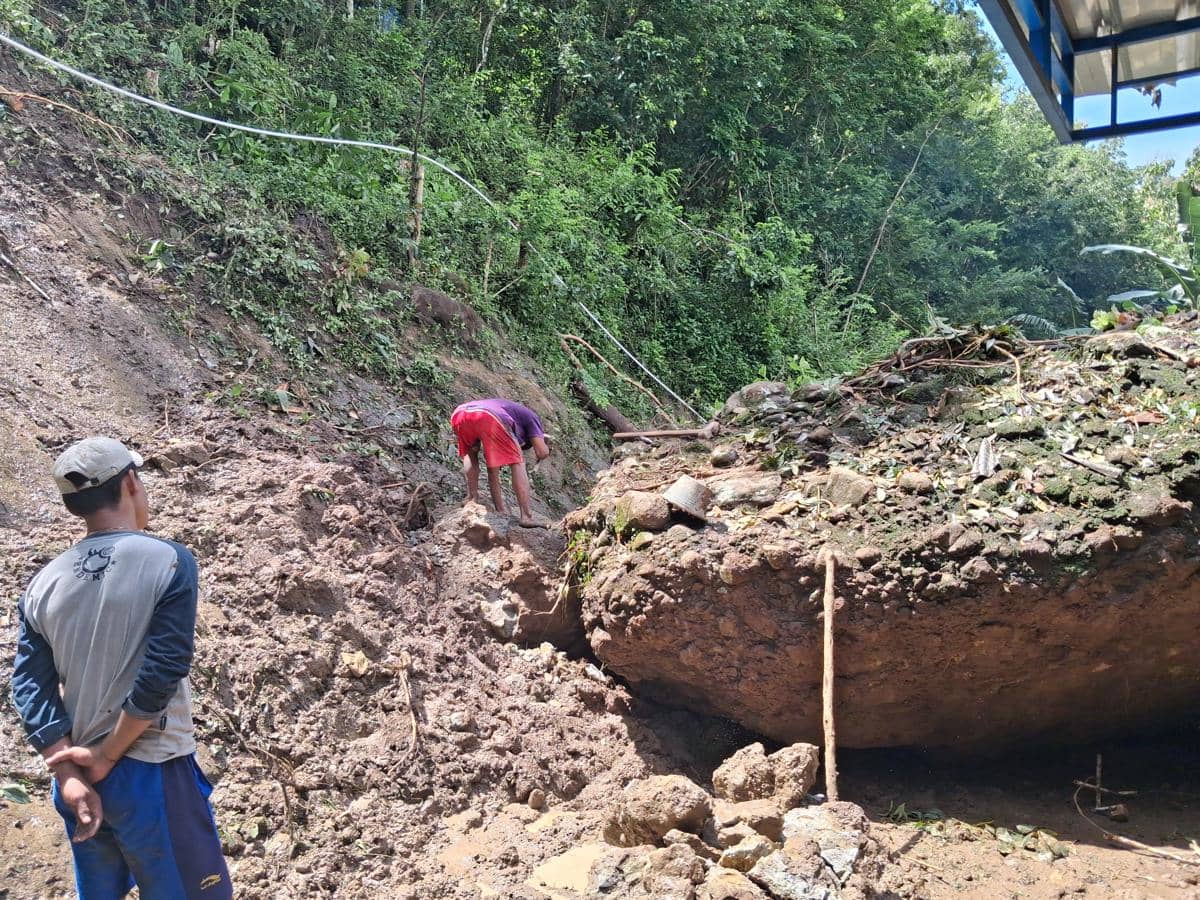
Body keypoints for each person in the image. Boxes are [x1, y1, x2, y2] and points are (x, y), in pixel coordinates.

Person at [11, 437, 232, 900]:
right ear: (131, 482)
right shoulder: (168, 560)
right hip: (152, 768)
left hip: (80, 780)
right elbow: (164, 668)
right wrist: (108, 754)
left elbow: (30, 684)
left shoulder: (43, 584)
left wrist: (68, 773)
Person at [450, 398, 551, 527]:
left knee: (471, 453)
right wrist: (547, 446)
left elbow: (493, 471)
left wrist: (501, 511)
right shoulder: (533, 418)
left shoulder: (513, 413)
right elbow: (541, 452)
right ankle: (526, 517)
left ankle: (473, 498)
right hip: (490, 416)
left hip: (460, 414)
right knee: (517, 461)